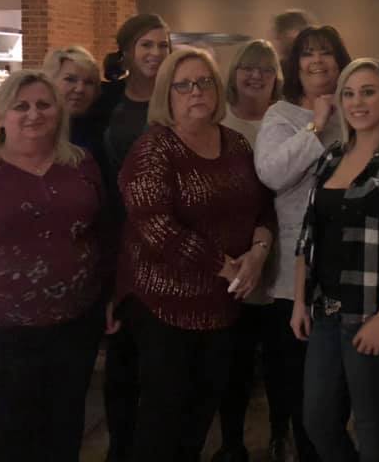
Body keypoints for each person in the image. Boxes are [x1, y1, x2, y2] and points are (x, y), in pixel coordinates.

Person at [114, 48, 275, 462]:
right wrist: (225, 267)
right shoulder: (153, 149)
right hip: (163, 306)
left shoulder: (236, 144)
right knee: (161, 424)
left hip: (222, 305)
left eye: (204, 82)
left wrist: (258, 254)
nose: (196, 91)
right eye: (183, 85)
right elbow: (156, 227)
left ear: (217, 89)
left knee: (200, 418)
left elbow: (263, 207)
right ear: (166, 95)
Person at [0, 71, 104, 462]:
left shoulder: (82, 164)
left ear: (59, 112)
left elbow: (103, 234)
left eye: (44, 104)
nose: (33, 114)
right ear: (0, 115)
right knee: (7, 437)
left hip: (75, 324)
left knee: (64, 431)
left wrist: (108, 300)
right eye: (20, 106)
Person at [292, 58, 379, 462]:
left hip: (374, 311)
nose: (357, 102)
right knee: (317, 420)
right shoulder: (331, 158)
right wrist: (300, 301)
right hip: (325, 310)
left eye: (368, 92)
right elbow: (307, 237)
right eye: (349, 93)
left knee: (371, 424)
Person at [254, 25, 351, 462]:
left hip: (347, 270)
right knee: (301, 396)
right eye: (308, 53)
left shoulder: (356, 108)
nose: (317, 61)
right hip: (292, 278)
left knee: (339, 396)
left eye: (326, 52)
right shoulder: (281, 115)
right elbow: (272, 174)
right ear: (295, 65)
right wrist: (316, 125)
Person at [95, 13, 172, 462]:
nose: (156, 53)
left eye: (163, 45)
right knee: (121, 353)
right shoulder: (106, 100)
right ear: (127, 50)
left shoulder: (178, 96)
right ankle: (120, 448)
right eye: (147, 44)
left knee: (162, 358)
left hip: (166, 238)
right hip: (117, 234)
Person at [211, 40, 284, 462]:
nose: (255, 76)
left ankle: (279, 437)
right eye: (247, 68)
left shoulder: (286, 118)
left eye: (265, 69)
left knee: (279, 361)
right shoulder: (219, 119)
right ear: (234, 73)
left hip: (278, 255)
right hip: (231, 261)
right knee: (233, 363)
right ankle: (232, 442)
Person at [0, 45, 104, 158]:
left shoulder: (95, 133)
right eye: (70, 79)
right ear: (50, 81)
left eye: (89, 82)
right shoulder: (6, 123)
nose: (80, 89)